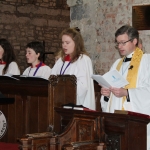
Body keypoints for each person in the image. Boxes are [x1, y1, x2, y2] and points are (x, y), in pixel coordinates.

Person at [100, 25, 150, 149]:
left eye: (123, 43)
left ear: (134, 41)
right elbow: (110, 93)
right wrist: (106, 95)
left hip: (135, 122)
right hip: (116, 122)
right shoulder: (117, 64)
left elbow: (148, 90)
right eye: (118, 43)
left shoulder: (146, 61)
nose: (120, 47)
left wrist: (127, 93)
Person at [51, 27, 95, 110]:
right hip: (59, 101)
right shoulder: (61, 60)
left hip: (76, 104)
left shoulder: (83, 59)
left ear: (76, 43)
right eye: (63, 42)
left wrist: (65, 90)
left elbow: (83, 86)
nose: (64, 45)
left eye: (67, 42)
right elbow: (51, 77)